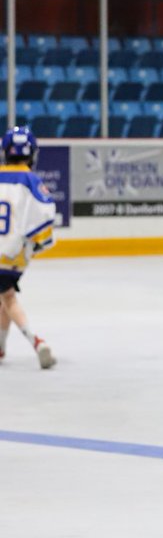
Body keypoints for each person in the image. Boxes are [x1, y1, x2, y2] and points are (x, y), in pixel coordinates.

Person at [0, 126, 56, 369]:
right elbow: (45, 213)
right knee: (6, 295)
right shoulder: (31, 180)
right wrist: (41, 241)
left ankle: (36, 341)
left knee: (7, 296)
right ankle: (3, 347)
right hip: (14, 253)